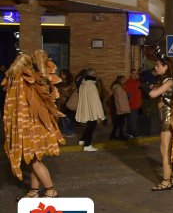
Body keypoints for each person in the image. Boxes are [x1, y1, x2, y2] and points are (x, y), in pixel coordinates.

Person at [3, 51, 64, 198]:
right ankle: (34, 191)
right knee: (34, 159)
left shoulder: (26, 84)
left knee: (34, 161)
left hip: (33, 127)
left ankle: (50, 190)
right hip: (38, 126)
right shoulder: (32, 82)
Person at [148, 56, 173, 190]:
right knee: (168, 149)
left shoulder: (169, 81)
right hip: (166, 117)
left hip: (168, 119)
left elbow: (152, 95)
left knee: (165, 150)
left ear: (166, 67)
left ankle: (166, 181)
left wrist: (150, 88)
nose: (156, 67)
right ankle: (172, 178)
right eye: (156, 65)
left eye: (159, 65)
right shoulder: (166, 80)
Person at [75, 68, 105, 151]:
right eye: (95, 73)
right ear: (92, 75)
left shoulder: (83, 84)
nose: (96, 75)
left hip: (86, 107)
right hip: (92, 109)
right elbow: (95, 100)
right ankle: (87, 145)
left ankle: (82, 140)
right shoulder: (91, 85)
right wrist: (99, 112)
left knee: (90, 125)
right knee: (91, 126)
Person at [55, 68, 77, 137]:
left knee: (68, 118)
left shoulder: (71, 83)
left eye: (63, 74)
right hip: (60, 102)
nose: (61, 75)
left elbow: (72, 92)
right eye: (61, 73)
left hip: (68, 102)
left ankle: (71, 131)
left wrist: (62, 91)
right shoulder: (58, 82)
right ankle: (66, 131)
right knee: (63, 117)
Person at [109, 75, 130, 140]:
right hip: (121, 109)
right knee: (119, 123)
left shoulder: (120, 87)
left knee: (119, 123)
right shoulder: (118, 88)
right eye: (123, 79)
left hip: (121, 108)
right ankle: (118, 135)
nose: (124, 80)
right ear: (119, 80)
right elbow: (120, 99)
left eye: (124, 79)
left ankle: (115, 135)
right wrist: (123, 109)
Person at [123, 68, 142, 138]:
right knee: (131, 119)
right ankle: (130, 132)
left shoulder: (137, 82)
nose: (135, 75)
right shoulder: (128, 83)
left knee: (134, 119)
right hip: (131, 105)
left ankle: (132, 132)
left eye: (136, 73)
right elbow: (127, 94)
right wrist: (129, 102)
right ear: (131, 74)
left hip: (137, 104)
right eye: (133, 73)